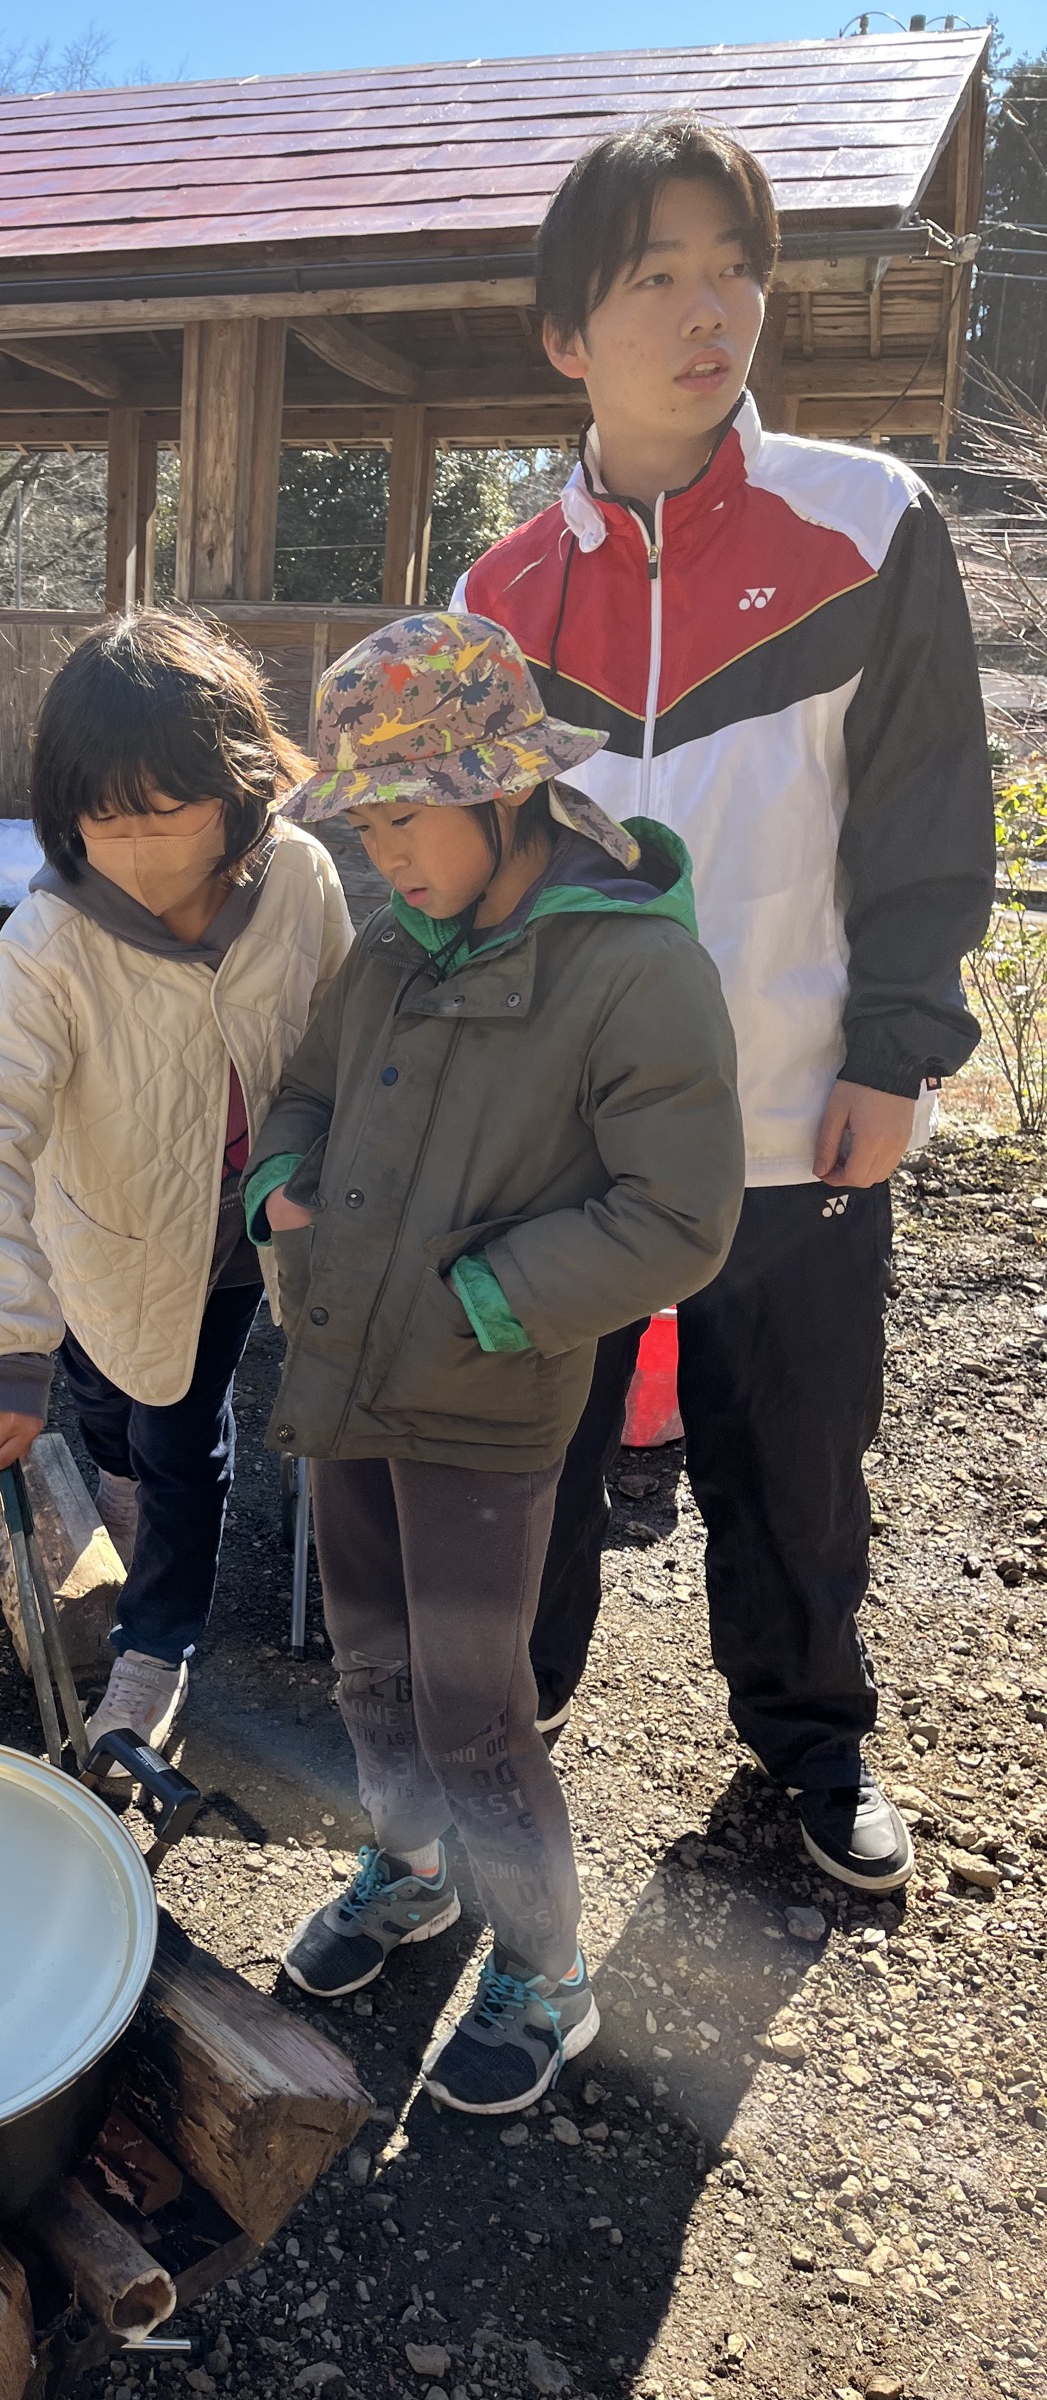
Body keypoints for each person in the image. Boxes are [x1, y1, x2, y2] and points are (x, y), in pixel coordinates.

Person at [456, 115, 995, 1893]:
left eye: (731, 270)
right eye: (654, 278)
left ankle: (811, 1746)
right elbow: (462, 874)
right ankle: (497, 1740)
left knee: (797, 1457)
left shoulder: (866, 523)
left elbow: (925, 805)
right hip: (570, 1141)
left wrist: (897, 1046)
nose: (709, 313)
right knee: (532, 1471)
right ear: (563, 335)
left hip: (795, 1107)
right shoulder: (494, 594)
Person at [249, 610, 742, 2112]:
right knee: (371, 1665)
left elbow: (680, 1216)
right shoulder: (393, 947)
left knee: (475, 1700)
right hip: (344, 1369)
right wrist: (280, 1186)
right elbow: (307, 1095)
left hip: (486, 1396)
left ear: (505, 788)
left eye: (409, 820)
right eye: (369, 825)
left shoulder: (635, 972)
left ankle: (545, 1965)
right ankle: (406, 1875)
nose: (387, 856)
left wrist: (484, 1298)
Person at [0, 610, 353, 1767]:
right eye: (105, 814)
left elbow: (347, 1031)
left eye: (167, 808)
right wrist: (5, 1340)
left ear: (239, 787)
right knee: (107, 1399)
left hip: (241, 1230)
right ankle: (117, 1491)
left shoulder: (297, 880)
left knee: (178, 1428)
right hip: (99, 1226)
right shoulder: (54, 937)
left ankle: (157, 1642)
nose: (137, 841)